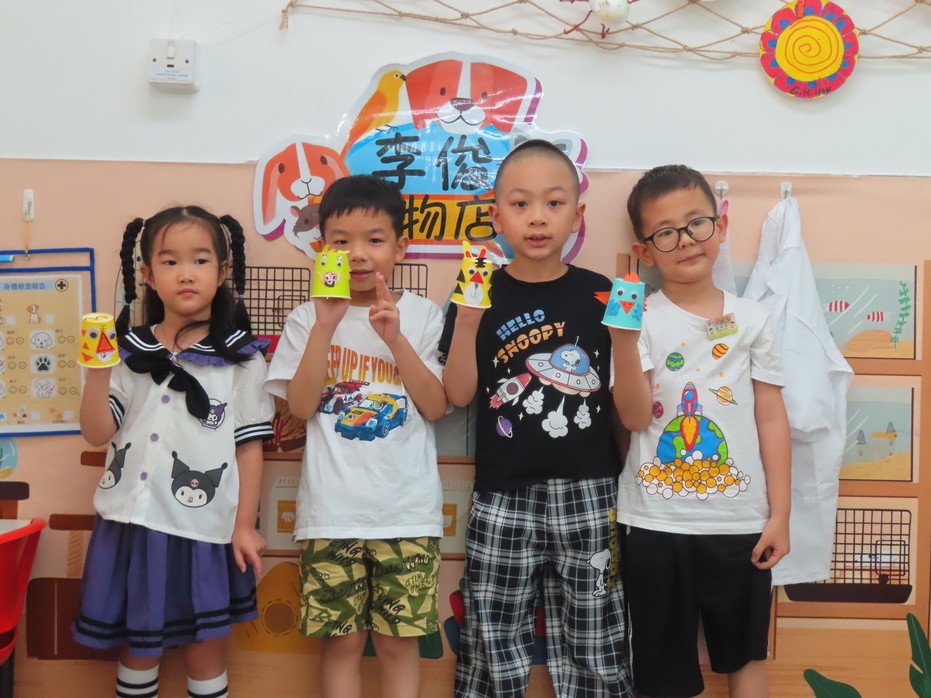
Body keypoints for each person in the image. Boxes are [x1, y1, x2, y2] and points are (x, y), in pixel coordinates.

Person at [440, 139, 633, 697]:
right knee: (491, 634)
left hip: (592, 491)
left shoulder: (602, 294)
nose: (538, 217)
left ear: (578, 213)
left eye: (554, 202)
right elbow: (457, 394)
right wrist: (469, 319)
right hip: (503, 491)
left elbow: (623, 404)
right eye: (520, 204)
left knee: (596, 633)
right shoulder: (477, 292)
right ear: (496, 215)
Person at [75, 206, 275, 698]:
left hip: (204, 529)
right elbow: (97, 433)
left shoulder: (242, 359)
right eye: (170, 261)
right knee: (137, 650)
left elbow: (250, 447)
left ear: (223, 271)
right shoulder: (129, 353)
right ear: (147, 275)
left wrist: (244, 525)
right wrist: (98, 371)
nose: (186, 273)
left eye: (200, 260)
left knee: (204, 651)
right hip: (133, 523)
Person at [265, 174, 447, 698]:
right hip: (330, 513)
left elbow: (435, 406)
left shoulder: (422, 315)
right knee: (341, 645)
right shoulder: (306, 319)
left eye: (375, 239)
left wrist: (396, 340)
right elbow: (301, 408)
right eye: (342, 241)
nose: (359, 254)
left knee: (398, 645)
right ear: (322, 249)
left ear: (400, 248)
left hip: (407, 512)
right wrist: (326, 325)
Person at [614, 164, 791, 698]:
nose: (686, 240)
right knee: (661, 673)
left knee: (745, 657)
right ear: (645, 251)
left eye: (696, 223)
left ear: (721, 224)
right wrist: (622, 341)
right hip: (653, 523)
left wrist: (781, 515)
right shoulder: (640, 319)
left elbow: (771, 416)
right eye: (665, 232)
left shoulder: (753, 319)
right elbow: (633, 418)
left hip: (740, 523)